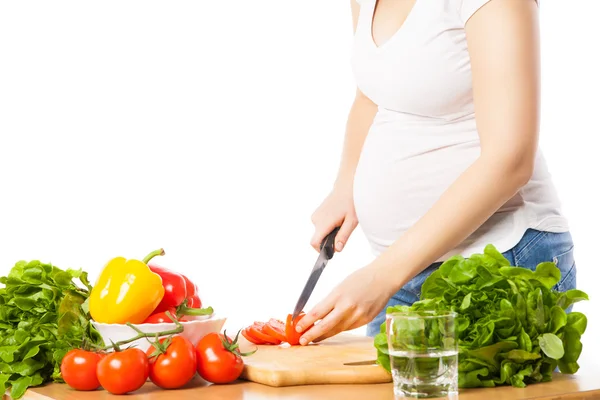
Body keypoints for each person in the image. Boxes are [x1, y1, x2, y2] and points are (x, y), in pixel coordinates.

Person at [294, 0, 576, 345]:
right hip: (398, 273)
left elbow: (510, 160)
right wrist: (345, 185)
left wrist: (382, 277)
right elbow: (372, 94)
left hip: (497, 265)